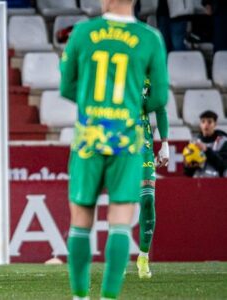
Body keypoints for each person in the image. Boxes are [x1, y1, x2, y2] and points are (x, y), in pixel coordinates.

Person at [60, 0, 169, 298]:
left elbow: (66, 87)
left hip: (89, 137)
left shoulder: (83, 33)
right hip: (128, 140)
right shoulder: (150, 38)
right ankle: (109, 296)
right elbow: (159, 97)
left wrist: (96, 105)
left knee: (81, 219)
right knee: (120, 219)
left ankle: (80, 296)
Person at [136, 79, 169, 279]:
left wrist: (164, 143)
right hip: (115, 143)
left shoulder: (149, 74)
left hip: (143, 146)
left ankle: (143, 257)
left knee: (147, 199)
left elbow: (159, 107)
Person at [184, 110, 227, 177]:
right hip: (198, 182)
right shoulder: (194, 142)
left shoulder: (223, 141)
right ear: (200, 124)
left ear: (215, 124)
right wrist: (190, 167)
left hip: (218, 182)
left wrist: (206, 150)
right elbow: (187, 173)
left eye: (209, 122)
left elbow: (223, 165)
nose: (206, 125)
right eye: (203, 122)